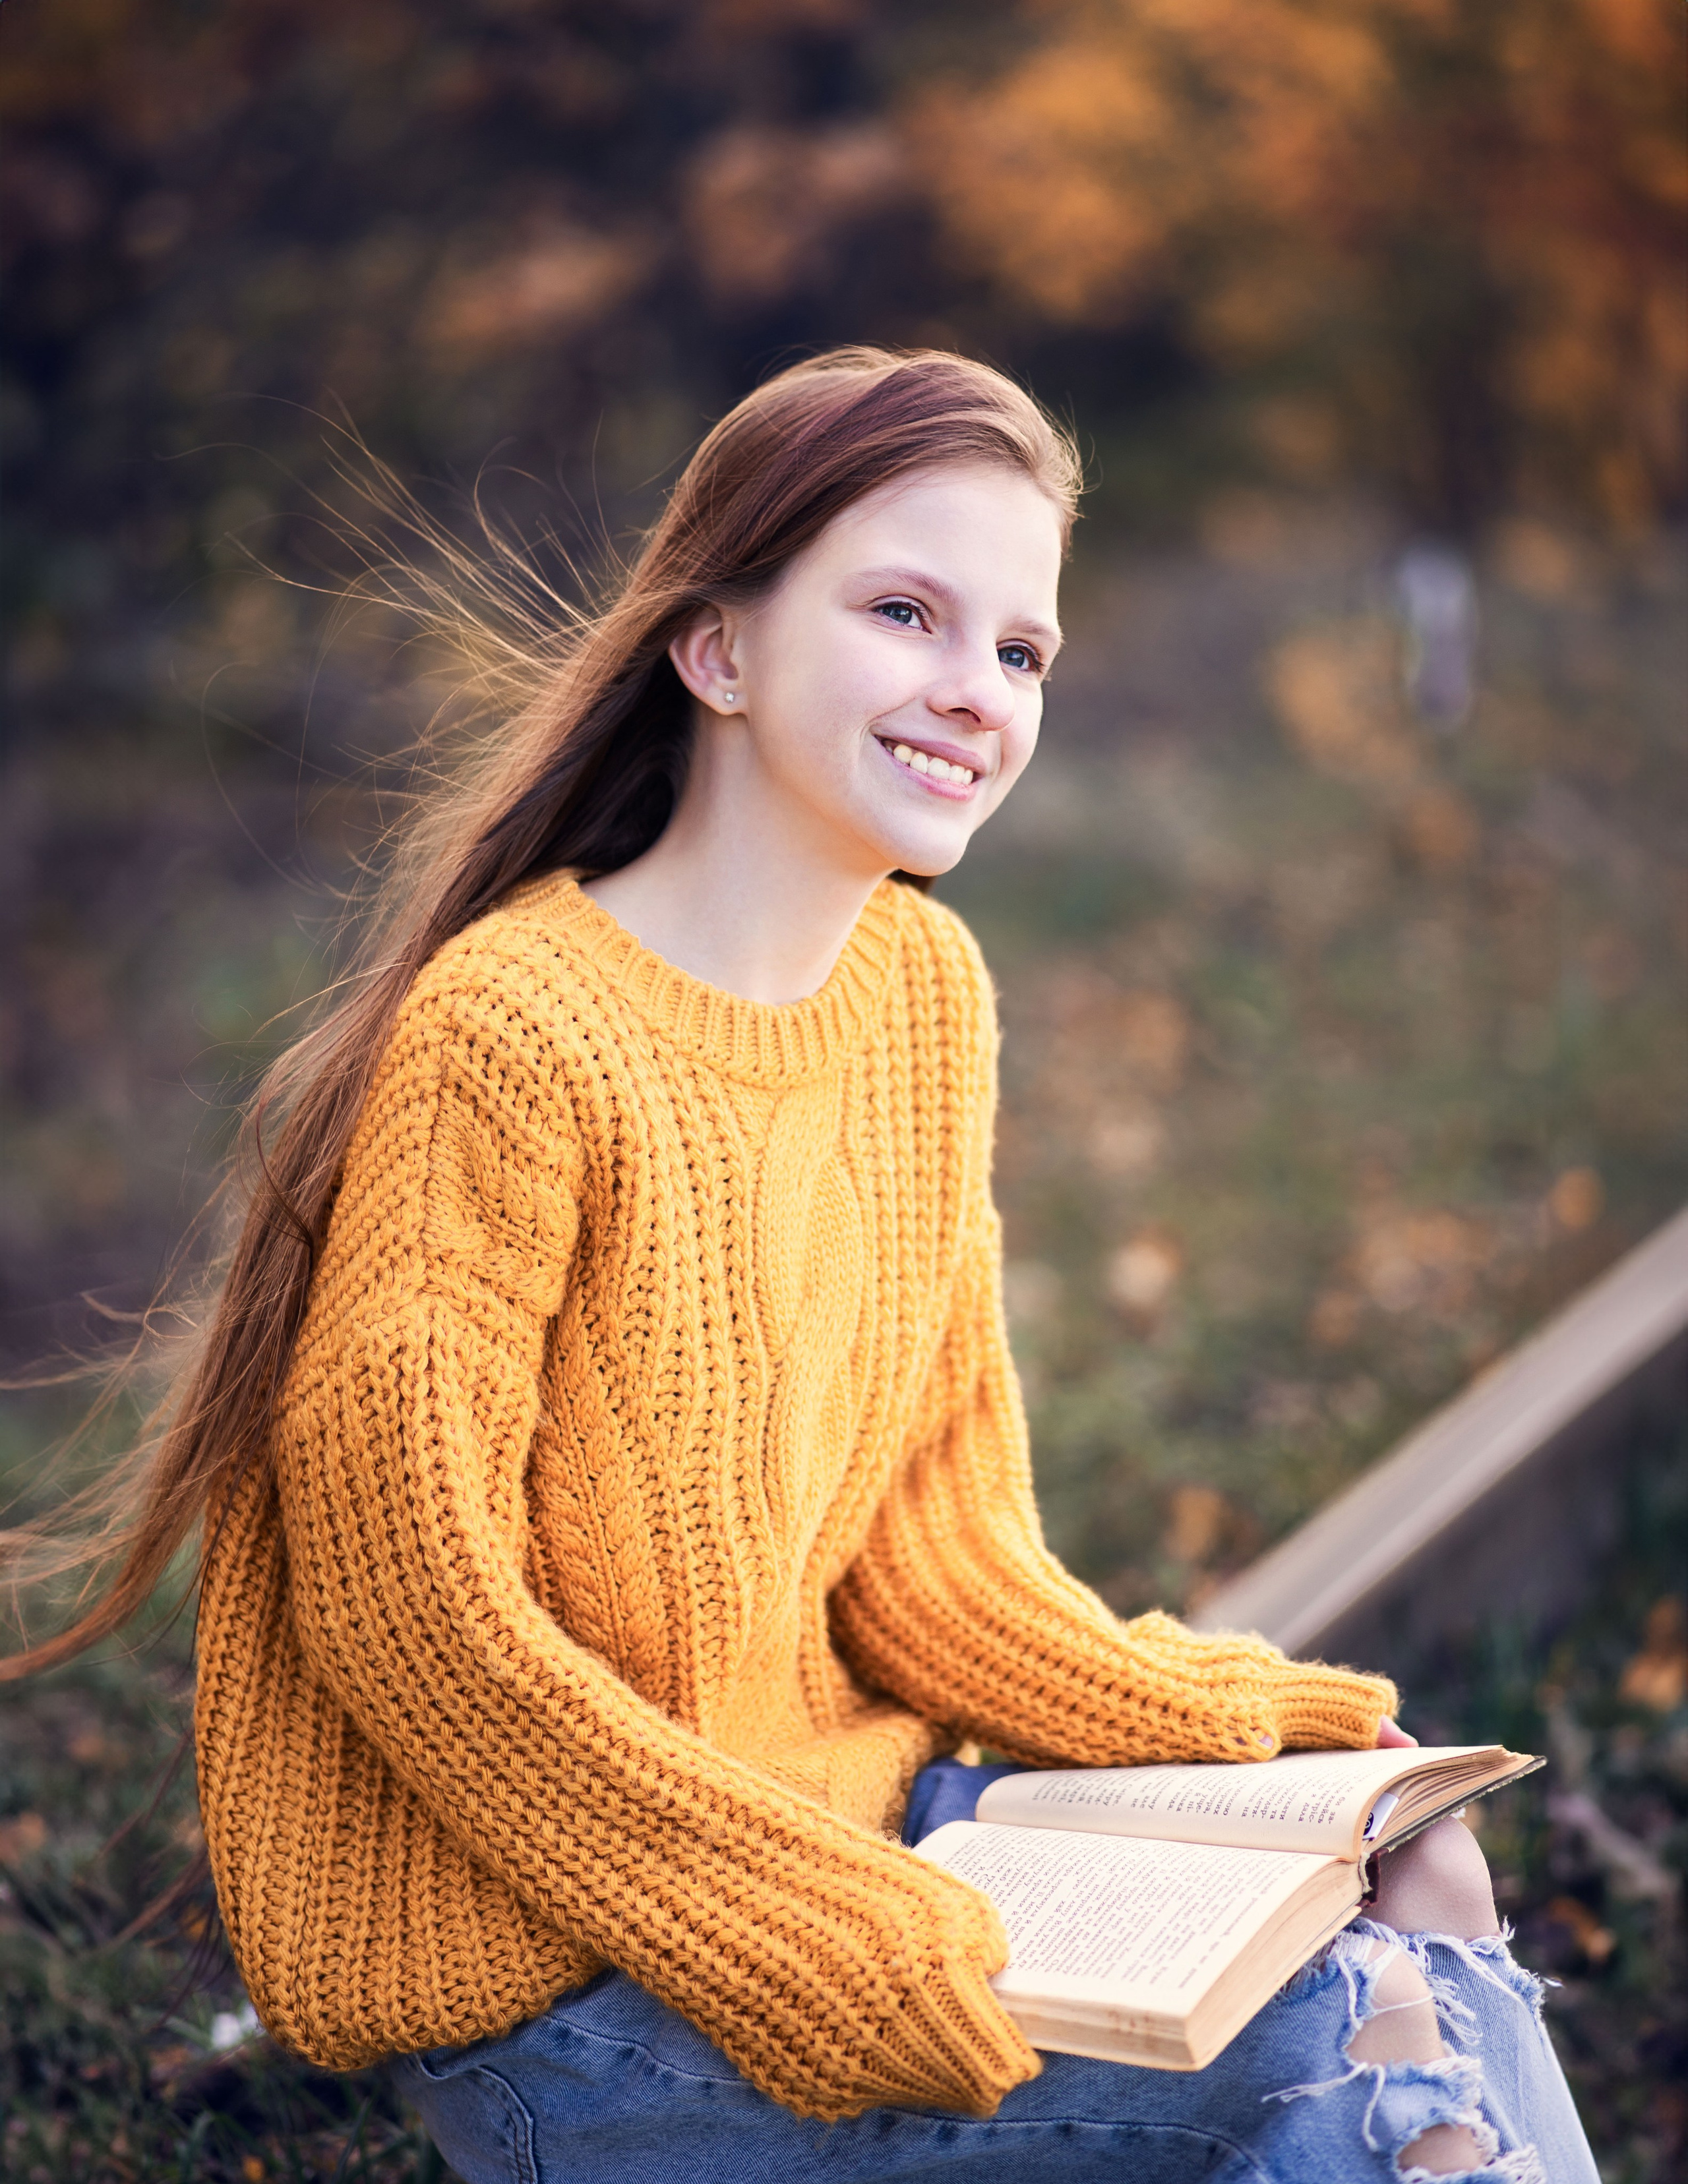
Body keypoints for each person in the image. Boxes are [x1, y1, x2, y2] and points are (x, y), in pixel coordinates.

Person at [3, 350, 1594, 2182]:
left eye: (1020, 651)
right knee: (1356, 2046)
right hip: (572, 1990)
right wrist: (781, 1912)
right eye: (907, 611)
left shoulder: (923, 1000)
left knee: (1411, 1874)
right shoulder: (513, 1035)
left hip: (858, 1840)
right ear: (720, 650)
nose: (973, 691)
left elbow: (933, 1541)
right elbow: (412, 1616)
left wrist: (1235, 1725)